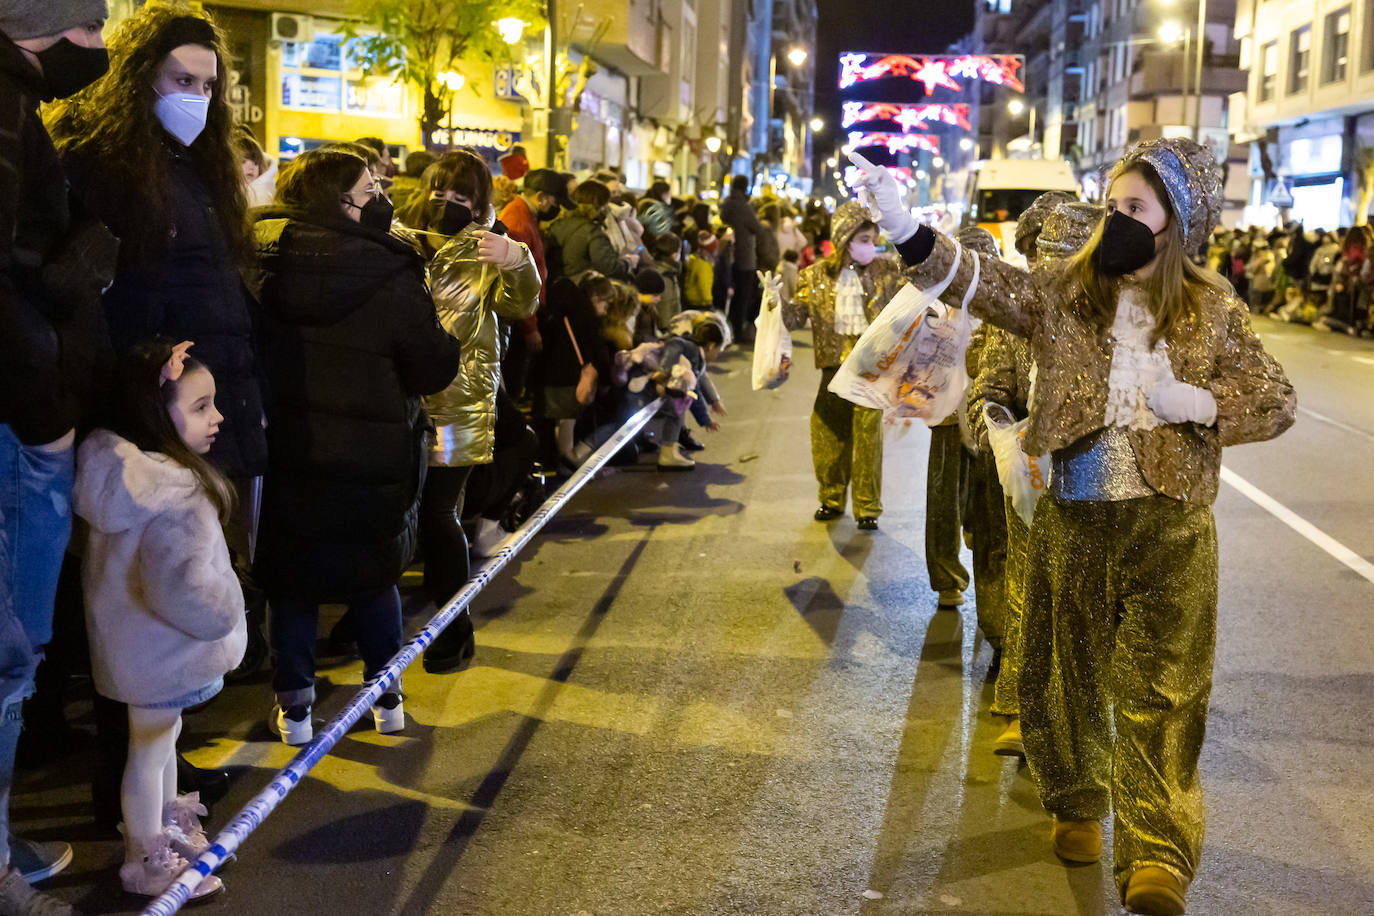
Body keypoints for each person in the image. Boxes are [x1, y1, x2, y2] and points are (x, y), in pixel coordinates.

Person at [854, 137, 1296, 915]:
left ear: (1177, 223)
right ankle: (1078, 799)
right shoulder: (1065, 293)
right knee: (1067, 674)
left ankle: (1157, 853)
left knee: (1167, 691)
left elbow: (1276, 396)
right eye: (1114, 205)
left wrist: (1202, 405)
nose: (1118, 219)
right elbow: (984, 285)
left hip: (1175, 527)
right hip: (1077, 516)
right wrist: (904, 227)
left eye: (1137, 208)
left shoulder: (1213, 305)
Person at [250, 146, 461, 744]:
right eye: (371, 190)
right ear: (336, 202)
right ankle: (386, 700)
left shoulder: (259, 260)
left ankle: (294, 711)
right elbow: (431, 367)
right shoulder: (390, 269)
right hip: (371, 456)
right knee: (373, 576)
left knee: (290, 580)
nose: (383, 200)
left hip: (285, 451)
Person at [0, 2, 113, 909]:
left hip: (27, 411)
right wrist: (46, 415)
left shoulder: (22, 99)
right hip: (18, 418)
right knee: (8, 654)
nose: (104, 49)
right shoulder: (7, 94)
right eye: (97, 27)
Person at [73, 340, 244, 901]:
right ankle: (147, 861)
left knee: (159, 743)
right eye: (199, 406)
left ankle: (167, 832)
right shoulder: (174, 491)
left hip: (133, 649)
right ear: (156, 414)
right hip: (164, 650)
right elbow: (184, 588)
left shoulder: (118, 476)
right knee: (148, 751)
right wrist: (227, 609)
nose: (216, 416)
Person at [398, 150, 540, 675]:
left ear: (480, 203)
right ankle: (381, 615)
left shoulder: (491, 246)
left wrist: (515, 259)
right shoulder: (399, 234)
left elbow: (521, 305)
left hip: (459, 398)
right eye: (439, 191)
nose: (446, 203)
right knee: (402, 511)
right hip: (402, 397)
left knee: (438, 514)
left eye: (461, 197)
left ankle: (453, 629)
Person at [780, 201, 902, 529]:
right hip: (832, 371)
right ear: (844, 238)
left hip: (870, 369)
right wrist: (772, 301)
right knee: (827, 434)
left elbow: (911, 305)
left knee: (868, 440)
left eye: (873, 239)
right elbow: (793, 319)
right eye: (864, 239)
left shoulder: (887, 271)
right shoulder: (814, 275)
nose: (871, 246)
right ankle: (831, 499)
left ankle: (867, 509)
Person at [498, 168, 565, 396]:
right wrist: (530, 327)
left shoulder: (525, 215)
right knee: (513, 383)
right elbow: (516, 278)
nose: (555, 208)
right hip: (518, 320)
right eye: (554, 202)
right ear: (541, 197)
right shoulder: (518, 220)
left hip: (523, 315)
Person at [546, 179, 633, 281]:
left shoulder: (558, 224)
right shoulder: (592, 232)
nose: (608, 208)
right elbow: (608, 267)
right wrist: (628, 262)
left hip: (557, 286)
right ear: (599, 206)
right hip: (582, 288)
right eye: (606, 203)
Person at [720, 174, 767, 342]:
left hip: (730, 254)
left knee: (732, 295)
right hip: (745, 255)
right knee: (743, 295)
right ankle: (738, 331)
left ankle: (731, 329)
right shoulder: (742, 206)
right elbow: (756, 227)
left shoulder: (726, 203)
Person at [683, 230, 716, 311]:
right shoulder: (704, 264)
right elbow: (704, 284)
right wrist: (709, 303)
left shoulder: (695, 258)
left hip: (691, 299)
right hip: (699, 302)